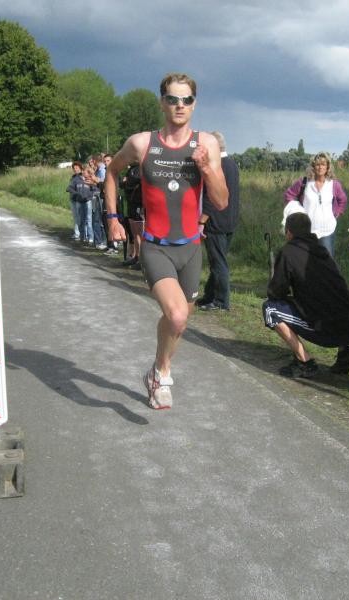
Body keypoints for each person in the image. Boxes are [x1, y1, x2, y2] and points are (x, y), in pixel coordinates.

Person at [104, 72, 228, 410]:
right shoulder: (142, 143)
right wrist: (113, 218)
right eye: (172, 99)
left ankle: (159, 370)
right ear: (162, 103)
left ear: (194, 105)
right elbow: (112, 172)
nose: (179, 105)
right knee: (175, 315)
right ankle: (163, 376)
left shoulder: (206, 144)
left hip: (191, 248)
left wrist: (207, 168)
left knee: (180, 320)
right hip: (156, 245)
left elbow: (221, 202)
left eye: (186, 100)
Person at [262, 212, 349, 378]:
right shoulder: (321, 250)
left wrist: (284, 294)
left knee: (270, 309)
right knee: (330, 299)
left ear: (289, 232)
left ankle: (305, 362)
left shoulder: (288, 251)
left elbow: (276, 291)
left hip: (325, 328)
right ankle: (345, 354)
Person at [197, 131, 240, 311]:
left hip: (216, 221)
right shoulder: (232, 164)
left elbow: (210, 197)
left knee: (218, 263)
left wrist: (201, 221)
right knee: (218, 260)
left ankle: (221, 301)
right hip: (230, 220)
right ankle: (210, 295)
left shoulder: (217, 166)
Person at [283, 152, 348, 257]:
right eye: (317, 164)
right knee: (306, 260)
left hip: (327, 230)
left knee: (326, 260)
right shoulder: (304, 182)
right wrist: (297, 210)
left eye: (323, 164)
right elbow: (288, 195)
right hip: (306, 230)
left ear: (327, 167)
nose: (320, 167)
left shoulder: (334, 184)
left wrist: (337, 213)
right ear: (313, 166)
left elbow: (343, 199)